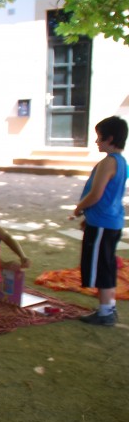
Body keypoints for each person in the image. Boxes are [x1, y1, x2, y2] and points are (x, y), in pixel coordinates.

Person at [71, 116, 128, 327]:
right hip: (110, 221)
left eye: (99, 137)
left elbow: (96, 194)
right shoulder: (121, 162)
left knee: (101, 267)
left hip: (103, 223)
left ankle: (105, 313)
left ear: (110, 138)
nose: (96, 141)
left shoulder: (109, 162)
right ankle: (108, 308)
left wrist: (79, 208)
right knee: (107, 264)